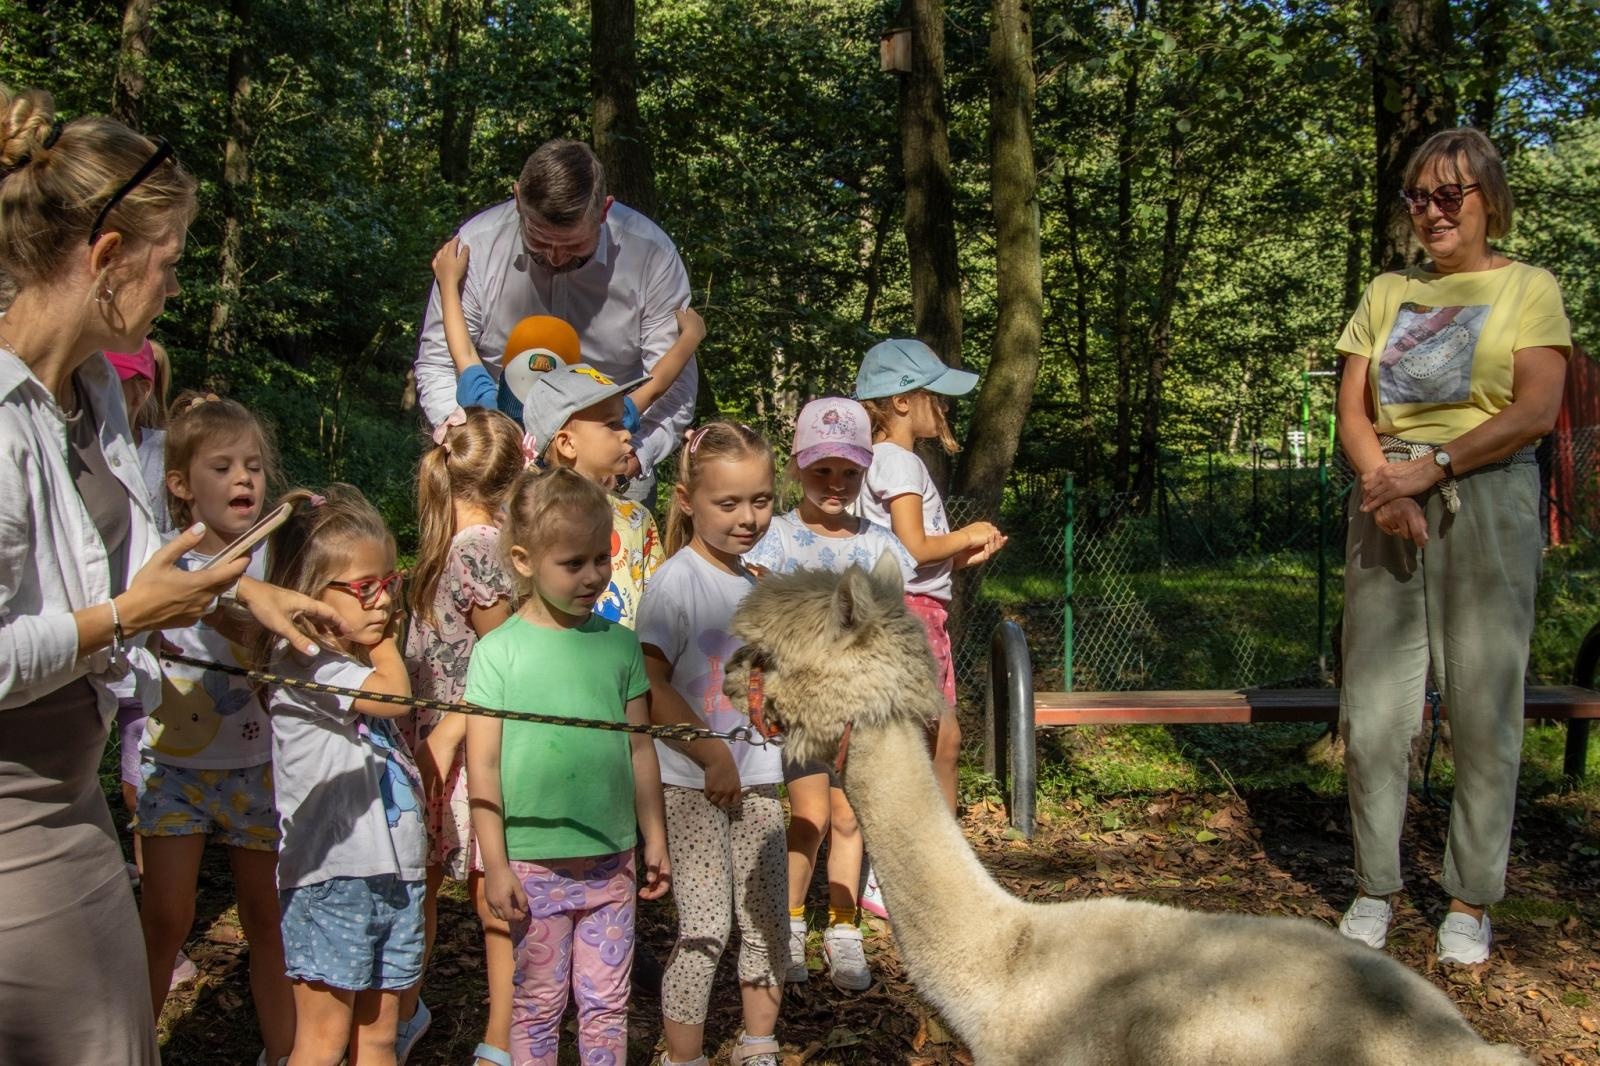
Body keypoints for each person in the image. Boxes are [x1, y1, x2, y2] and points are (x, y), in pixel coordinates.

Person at [0, 84, 338, 1065]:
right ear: (105, 259)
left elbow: (139, 556)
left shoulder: (95, 391)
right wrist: (124, 616)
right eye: (168, 264)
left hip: (72, 794)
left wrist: (245, 589)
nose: (175, 288)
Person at [1332, 127, 1570, 965]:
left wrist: (1429, 470)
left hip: (1488, 500)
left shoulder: (1530, 289)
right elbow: (1352, 411)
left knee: (1484, 710)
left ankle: (1470, 898)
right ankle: (1375, 886)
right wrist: (1385, 485)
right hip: (1385, 500)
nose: (1431, 211)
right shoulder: (1387, 290)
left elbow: (1536, 410)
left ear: (1487, 200)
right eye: (1417, 196)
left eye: (1449, 195)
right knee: (1374, 714)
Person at [465, 466, 671, 1066]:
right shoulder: (498, 652)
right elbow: (482, 766)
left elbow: (640, 746)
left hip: (611, 860)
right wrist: (495, 864)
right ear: (525, 560)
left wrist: (652, 837)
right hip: (532, 865)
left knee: (607, 1002)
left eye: (600, 558)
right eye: (572, 563)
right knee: (538, 1002)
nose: (592, 576)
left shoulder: (619, 644)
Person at [135, 393, 294, 1064]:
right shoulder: (165, 557)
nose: (244, 481)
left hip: (255, 768)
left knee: (267, 921)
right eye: (223, 467)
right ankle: (130, 1044)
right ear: (180, 485)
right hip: (174, 768)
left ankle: (287, 1050)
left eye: (254, 467)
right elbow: (186, 601)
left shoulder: (277, 559)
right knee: (166, 919)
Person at [743, 397, 916, 993]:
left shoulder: (876, 543)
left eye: (849, 473)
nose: (836, 484)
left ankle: (844, 929)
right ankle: (789, 925)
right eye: (822, 471)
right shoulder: (776, 541)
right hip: (800, 709)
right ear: (796, 468)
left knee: (849, 816)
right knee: (809, 817)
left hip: (861, 710)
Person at [414, 139, 695, 501]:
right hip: (497, 472)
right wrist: (478, 451)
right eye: (539, 241)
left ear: (604, 210)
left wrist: (629, 461)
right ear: (518, 199)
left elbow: (673, 388)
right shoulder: (476, 247)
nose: (556, 257)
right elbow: (440, 361)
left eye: (575, 247)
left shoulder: (651, 256)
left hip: (614, 473)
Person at [257, 486, 426, 1066]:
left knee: (379, 1036)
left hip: (394, 875)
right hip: (332, 880)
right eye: (362, 588)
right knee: (323, 1041)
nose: (381, 602)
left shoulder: (346, 662)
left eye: (389, 583)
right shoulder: (306, 663)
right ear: (307, 596)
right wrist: (385, 649)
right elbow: (394, 698)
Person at [638, 421, 787, 1066]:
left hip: (760, 783)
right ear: (685, 500)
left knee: (765, 925)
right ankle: (684, 1056)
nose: (747, 517)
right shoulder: (675, 584)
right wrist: (710, 753)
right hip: (693, 788)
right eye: (728, 503)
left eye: (760, 499)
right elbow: (650, 686)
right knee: (704, 930)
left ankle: (759, 1044)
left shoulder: (759, 581)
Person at [853, 338, 1006, 916]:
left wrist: (965, 555)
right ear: (898, 401)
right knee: (927, 745)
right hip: (912, 620)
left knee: (937, 743)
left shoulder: (884, 460)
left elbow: (912, 555)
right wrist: (968, 532)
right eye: (933, 395)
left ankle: (927, 866)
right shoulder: (899, 461)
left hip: (914, 611)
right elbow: (917, 546)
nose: (943, 406)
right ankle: (905, 873)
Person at [398, 407, 525, 1064]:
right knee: (489, 898)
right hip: (469, 744)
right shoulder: (479, 548)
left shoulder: (446, 540)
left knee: (426, 889)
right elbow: (505, 654)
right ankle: (496, 1033)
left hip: (444, 737)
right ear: (513, 476)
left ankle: (423, 1015)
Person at [430, 235, 705, 435]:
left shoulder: (491, 415)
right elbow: (653, 388)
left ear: (505, 370)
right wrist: (690, 338)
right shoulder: (588, 424)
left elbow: (463, 352)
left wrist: (449, 284)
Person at [520, 361, 665, 627]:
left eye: (622, 421)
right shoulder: (533, 519)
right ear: (567, 443)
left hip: (626, 663)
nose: (626, 434)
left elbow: (658, 605)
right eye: (612, 424)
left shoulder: (635, 517)